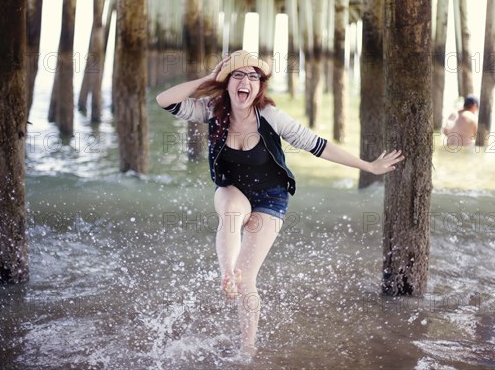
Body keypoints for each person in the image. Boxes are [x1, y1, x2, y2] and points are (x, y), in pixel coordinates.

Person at [155, 50, 404, 357]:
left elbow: (318, 146)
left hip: (270, 198)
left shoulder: (271, 117)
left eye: (253, 76)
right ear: (227, 82)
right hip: (231, 189)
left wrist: (368, 166)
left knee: (248, 280)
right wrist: (208, 78)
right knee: (232, 214)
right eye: (237, 75)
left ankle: (247, 351)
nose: (246, 81)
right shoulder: (211, 110)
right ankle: (226, 273)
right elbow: (165, 100)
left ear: (260, 86)